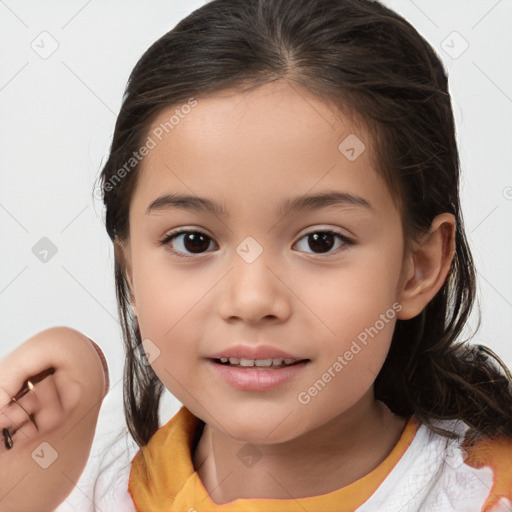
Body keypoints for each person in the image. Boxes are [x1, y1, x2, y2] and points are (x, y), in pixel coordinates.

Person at [1, 0, 512, 510]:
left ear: (417, 268)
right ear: (130, 267)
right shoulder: (78, 474)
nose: (251, 300)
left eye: (321, 241)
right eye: (193, 241)